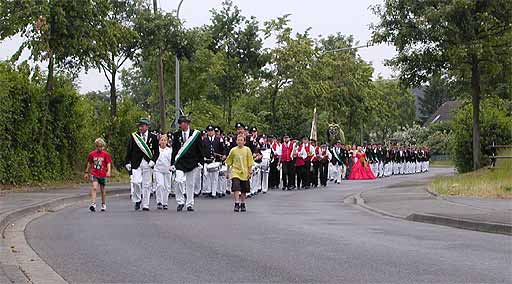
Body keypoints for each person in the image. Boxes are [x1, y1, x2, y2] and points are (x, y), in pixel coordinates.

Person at [171, 115, 206, 212]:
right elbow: (174, 150)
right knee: (178, 181)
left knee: (190, 184)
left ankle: (189, 204)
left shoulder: (195, 134)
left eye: (183, 123)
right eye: (180, 123)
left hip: (192, 162)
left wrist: (200, 161)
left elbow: (200, 149)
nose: (181, 125)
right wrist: (172, 163)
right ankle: (180, 201)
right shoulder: (176, 135)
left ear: (187, 124)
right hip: (180, 163)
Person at [125, 118, 159, 211]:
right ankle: (137, 199)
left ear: (147, 126)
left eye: (142, 126)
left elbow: (156, 151)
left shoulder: (153, 137)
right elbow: (129, 149)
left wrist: (153, 160)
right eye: (139, 126)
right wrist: (127, 161)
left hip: (148, 163)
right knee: (136, 182)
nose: (140, 128)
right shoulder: (134, 136)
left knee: (147, 184)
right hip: (136, 163)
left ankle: (146, 204)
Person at [225, 134, 254, 212]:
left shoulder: (247, 150)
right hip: (235, 171)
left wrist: (250, 171)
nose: (240, 142)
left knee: (244, 189)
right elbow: (229, 162)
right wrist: (227, 172)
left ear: (244, 142)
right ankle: (237, 203)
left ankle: (243, 203)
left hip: (244, 172)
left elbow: (250, 161)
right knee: (236, 186)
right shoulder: (233, 150)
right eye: (238, 140)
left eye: (241, 140)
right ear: (236, 141)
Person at [84, 138, 112, 212]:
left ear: (103, 146)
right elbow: (89, 163)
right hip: (95, 173)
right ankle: (93, 204)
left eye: (101, 147)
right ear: (96, 146)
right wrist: (86, 172)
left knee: (102, 190)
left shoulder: (106, 154)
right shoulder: (92, 154)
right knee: (94, 187)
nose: (100, 148)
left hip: (102, 174)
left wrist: (108, 171)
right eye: (98, 147)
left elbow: (108, 163)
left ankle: (103, 204)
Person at [203, 125, 225, 199]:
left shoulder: (219, 139)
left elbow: (222, 149)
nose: (210, 132)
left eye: (211, 131)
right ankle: (208, 191)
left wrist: (223, 156)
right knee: (207, 176)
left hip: (216, 160)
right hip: (208, 160)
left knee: (215, 177)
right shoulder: (204, 140)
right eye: (209, 131)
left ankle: (214, 192)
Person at [154, 135, 172, 210]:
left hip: (167, 170)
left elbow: (172, 160)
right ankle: (159, 201)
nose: (163, 142)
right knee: (160, 185)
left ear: (167, 141)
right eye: (161, 140)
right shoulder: (156, 150)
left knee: (167, 187)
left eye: (165, 140)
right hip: (158, 170)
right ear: (159, 141)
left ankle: (165, 202)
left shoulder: (170, 150)